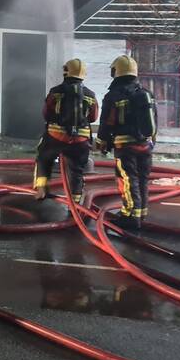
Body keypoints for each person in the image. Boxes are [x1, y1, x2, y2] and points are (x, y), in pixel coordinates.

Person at [96, 54, 158, 232]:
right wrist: (152, 141)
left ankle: (130, 216)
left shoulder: (114, 96)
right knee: (142, 179)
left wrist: (102, 142)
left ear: (116, 71)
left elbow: (107, 122)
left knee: (128, 180)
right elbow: (155, 120)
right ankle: (141, 213)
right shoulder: (146, 93)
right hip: (145, 145)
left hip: (125, 146)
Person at [33, 58, 98, 204]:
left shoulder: (56, 92)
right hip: (80, 140)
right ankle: (74, 202)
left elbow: (46, 113)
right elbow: (93, 117)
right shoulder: (91, 95)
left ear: (66, 72)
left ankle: (42, 188)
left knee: (44, 158)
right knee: (76, 169)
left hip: (56, 136)